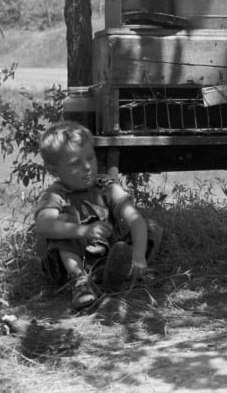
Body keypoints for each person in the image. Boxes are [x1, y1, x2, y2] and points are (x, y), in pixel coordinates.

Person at [34, 121, 162, 311]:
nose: (87, 167)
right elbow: (43, 226)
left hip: (108, 254)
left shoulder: (105, 186)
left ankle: (121, 273)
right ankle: (79, 282)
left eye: (91, 158)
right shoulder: (56, 194)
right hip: (68, 263)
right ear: (55, 171)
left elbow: (134, 219)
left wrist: (138, 254)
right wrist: (83, 231)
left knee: (151, 228)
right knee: (62, 223)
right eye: (76, 163)